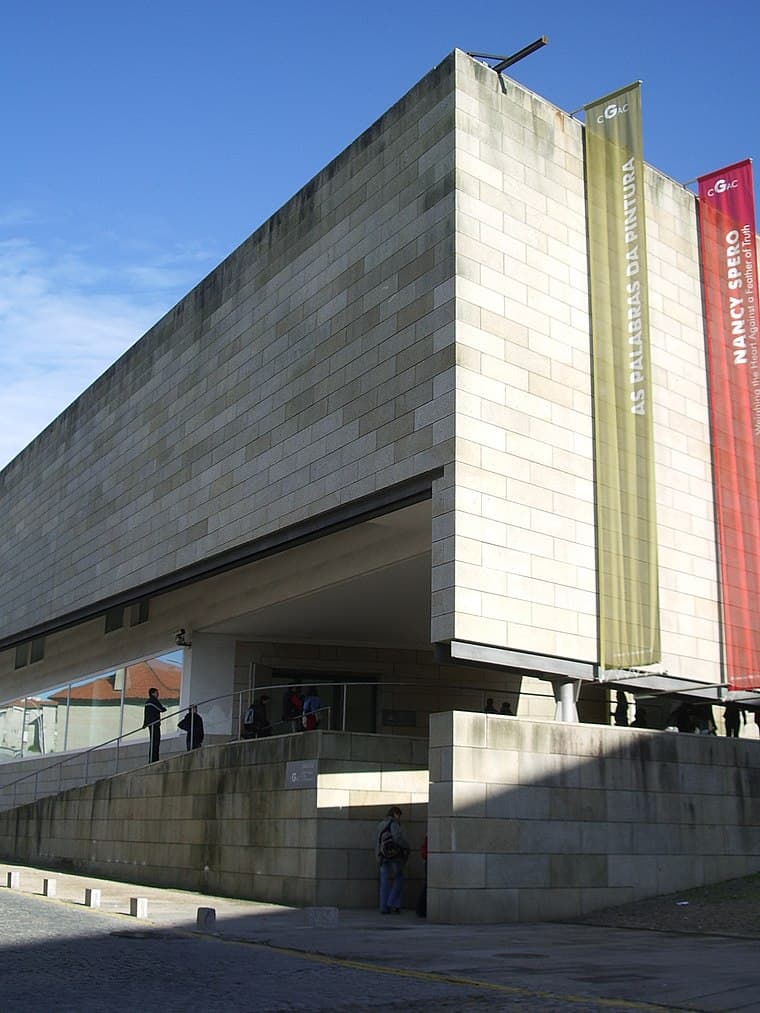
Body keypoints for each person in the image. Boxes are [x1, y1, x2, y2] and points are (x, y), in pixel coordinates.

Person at [375, 805, 410, 914]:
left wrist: (378, 856)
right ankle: (392, 903)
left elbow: (377, 842)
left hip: (382, 857)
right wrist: (407, 846)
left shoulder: (380, 825)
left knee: (384, 882)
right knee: (399, 878)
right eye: (398, 815)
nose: (399, 817)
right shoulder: (394, 824)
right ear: (395, 814)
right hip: (394, 857)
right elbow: (398, 839)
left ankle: (383, 908)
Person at [143, 687, 166, 763]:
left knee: (152, 741)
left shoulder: (147, 702)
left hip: (150, 724)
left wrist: (145, 724)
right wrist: (164, 709)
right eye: (156, 692)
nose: (158, 694)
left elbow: (146, 714)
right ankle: (154, 759)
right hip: (155, 724)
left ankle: (151, 759)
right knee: (156, 741)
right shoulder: (153, 701)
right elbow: (160, 709)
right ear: (153, 693)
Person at [415, 833, 428, 918]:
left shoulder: (428, 835)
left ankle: (421, 909)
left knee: (427, 885)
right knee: (427, 886)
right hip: (430, 861)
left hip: (428, 860)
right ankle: (421, 909)